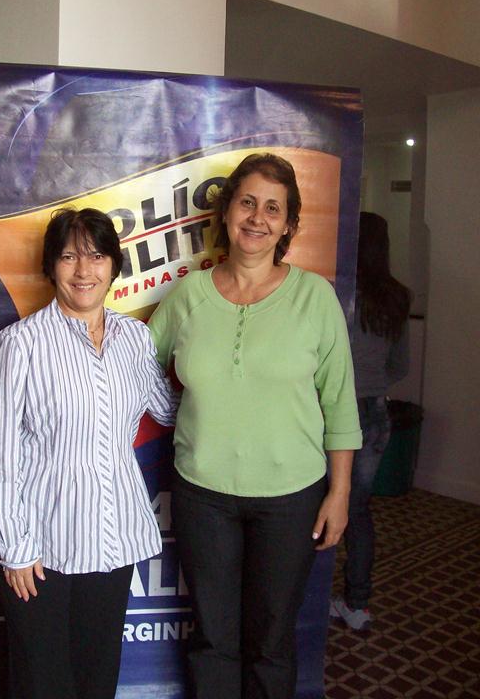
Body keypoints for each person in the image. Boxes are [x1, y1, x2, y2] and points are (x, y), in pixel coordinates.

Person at [148, 153, 362, 699]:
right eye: (247, 202)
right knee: (213, 640)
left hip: (291, 498)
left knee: (271, 643)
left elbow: (340, 403)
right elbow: (135, 366)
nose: (257, 217)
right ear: (226, 212)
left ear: (289, 225)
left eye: (273, 208)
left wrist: (339, 493)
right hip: (203, 495)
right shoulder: (188, 296)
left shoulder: (315, 298)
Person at [0, 208, 177, 699]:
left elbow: (169, 410)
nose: (84, 270)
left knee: (97, 679)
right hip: (42, 549)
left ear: (114, 265)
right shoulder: (18, 346)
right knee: (42, 683)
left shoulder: (134, 338)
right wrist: (15, 549)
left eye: (97, 256)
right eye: (69, 257)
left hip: (113, 542)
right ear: (51, 266)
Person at [330, 211, 410, 631]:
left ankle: (306, 603)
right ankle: (357, 604)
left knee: (317, 506)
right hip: (376, 412)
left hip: (332, 412)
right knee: (357, 510)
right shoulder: (398, 297)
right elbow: (401, 366)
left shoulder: (335, 292)